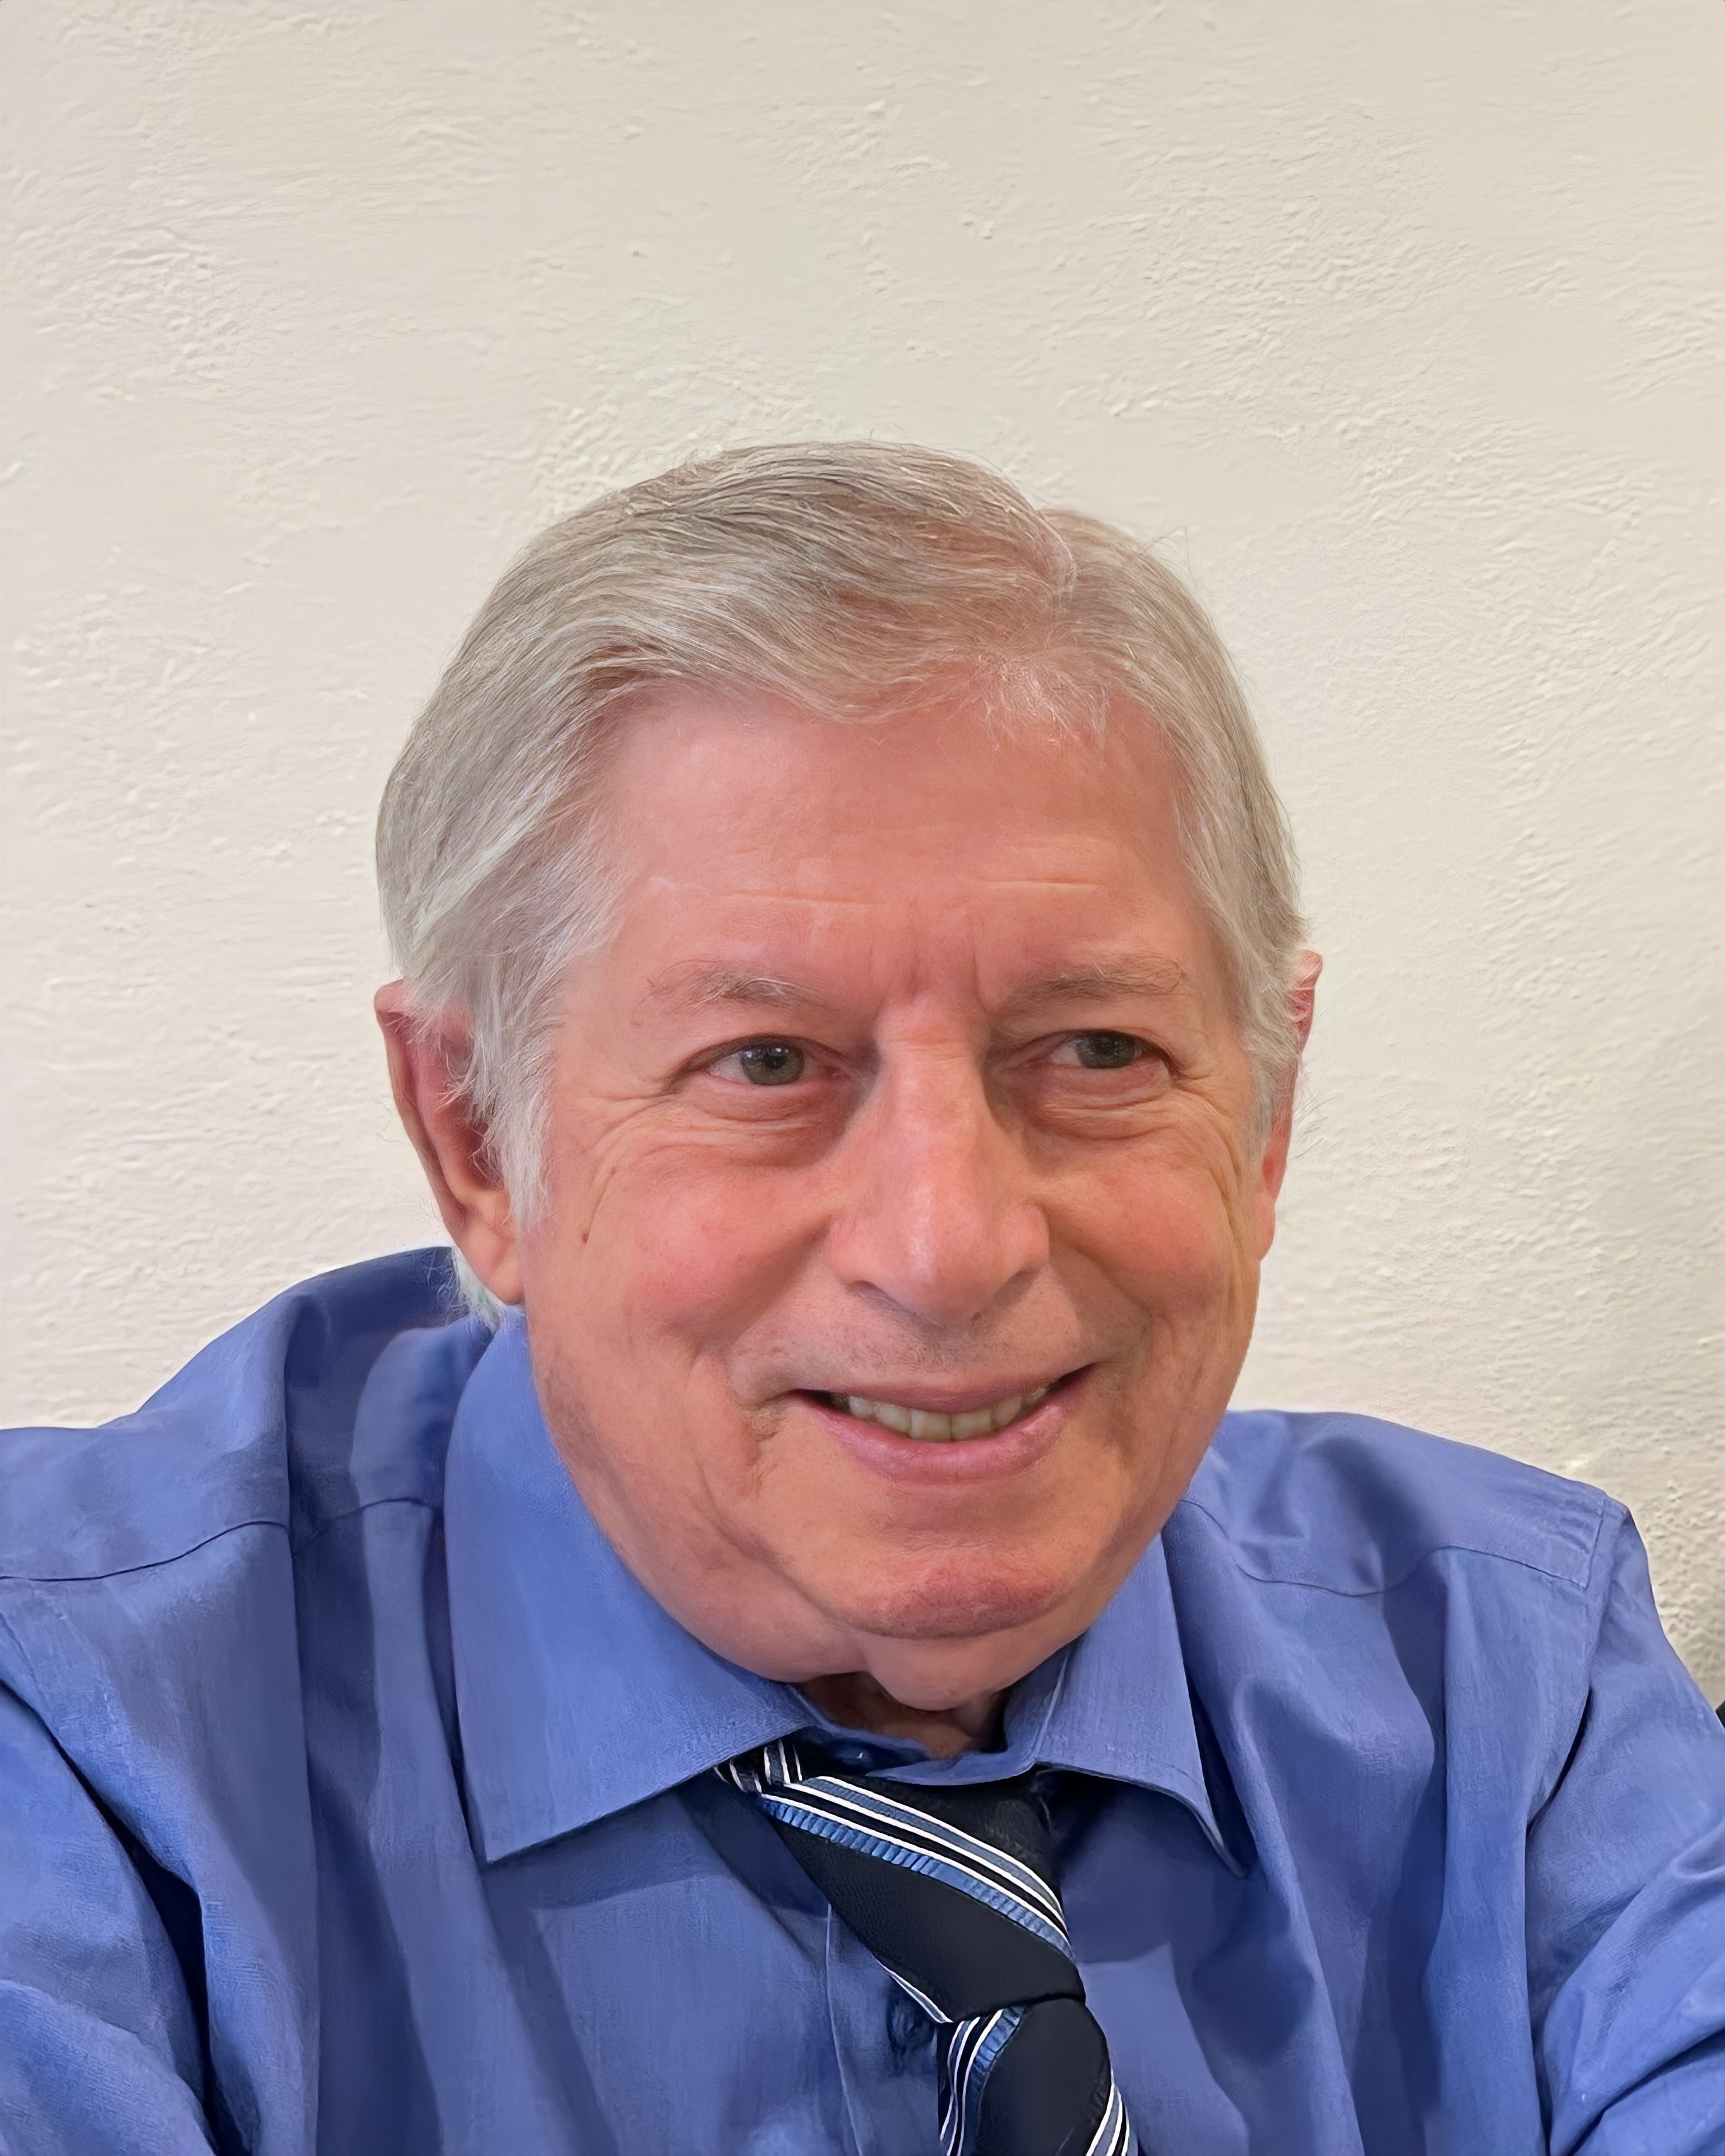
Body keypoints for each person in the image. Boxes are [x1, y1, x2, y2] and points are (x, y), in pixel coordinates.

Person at [2, 444, 1720, 2156]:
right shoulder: (85, 1735)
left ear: (1263, 1119)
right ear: (476, 1140)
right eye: (765, 1062)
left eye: (1096, 1051)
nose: (949, 1245)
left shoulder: (1512, 1678)